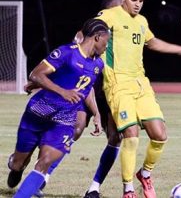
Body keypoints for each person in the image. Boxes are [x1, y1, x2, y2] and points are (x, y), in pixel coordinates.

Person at [88, 0, 181, 198]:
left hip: (141, 83)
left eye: (141, 1)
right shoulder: (110, 15)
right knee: (131, 134)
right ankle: (128, 189)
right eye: (133, 0)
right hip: (118, 84)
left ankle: (145, 174)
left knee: (160, 135)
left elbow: (153, 42)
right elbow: (87, 32)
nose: (137, 4)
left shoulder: (141, 21)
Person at [7, 18, 111, 197]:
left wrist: (96, 113)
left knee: (44, 162)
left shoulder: (98, 64)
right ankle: (17, 167)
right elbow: (36, 74)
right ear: (97, 37)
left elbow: (86, 90)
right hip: (38, 114)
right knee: (18, 163)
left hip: (64, 120)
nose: (107, 47)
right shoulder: (66, 53)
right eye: (106, 42)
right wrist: (62, 91)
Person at [33, 0, 123, 198]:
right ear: (105, 13)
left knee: (116, 137)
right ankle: (42, 177)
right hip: (86, 90)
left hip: (112, 92)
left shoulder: (126, 35)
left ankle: (94, 188)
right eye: (116, 11)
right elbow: (70, 62)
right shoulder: (87, 35)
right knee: (75, 127)